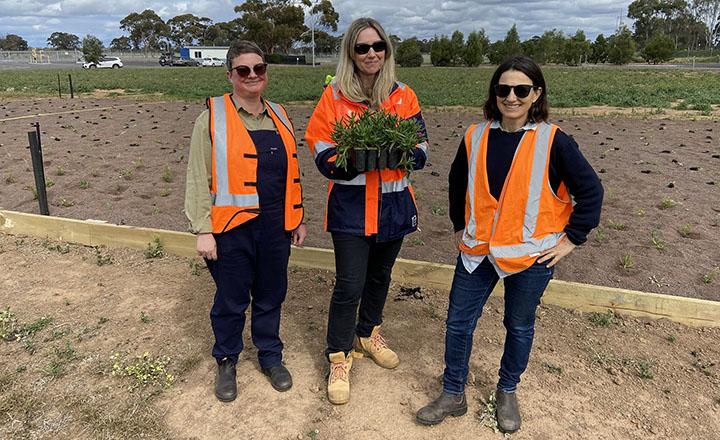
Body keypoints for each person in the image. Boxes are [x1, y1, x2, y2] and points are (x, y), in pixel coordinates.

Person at [416, 55, 603, 432]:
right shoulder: (475, 135)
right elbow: (456, 182)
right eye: (504, 89)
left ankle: (507, 391)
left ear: (536, 94)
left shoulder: (555, 141)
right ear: (495, 93)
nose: (512, 97)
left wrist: (571, 241)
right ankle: (453, 392)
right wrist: (458, 225)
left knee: (518, 326)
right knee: (457, 324)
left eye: (521, 90)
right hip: (477, 251)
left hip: (531, 256)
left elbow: (592, 192)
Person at [305, 17, 428, 405]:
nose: (371, 53)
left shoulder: (403, 95)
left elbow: (422, 147)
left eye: (378, 47)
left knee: (380, 277)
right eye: (362, 48)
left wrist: (402, 153)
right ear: (351, 54)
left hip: (392, 206)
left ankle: (368, 332)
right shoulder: (336, 97)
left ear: (386, 51)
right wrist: (353, 160)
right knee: (349, 285)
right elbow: (320, 149)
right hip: (351, 210)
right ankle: (339, 355)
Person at [184, 40, 307, 402]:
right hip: (231, 230)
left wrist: (297, 219)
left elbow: (292, 173)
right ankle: (226, 359)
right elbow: (197, 176)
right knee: (231, 300)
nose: (253, 75)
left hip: (275, 227)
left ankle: (270, 356)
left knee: (271, 295)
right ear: (231, 75)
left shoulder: (281, 115)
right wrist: (203, 230)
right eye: (243, 70)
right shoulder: (212, 117)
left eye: (259, 68)